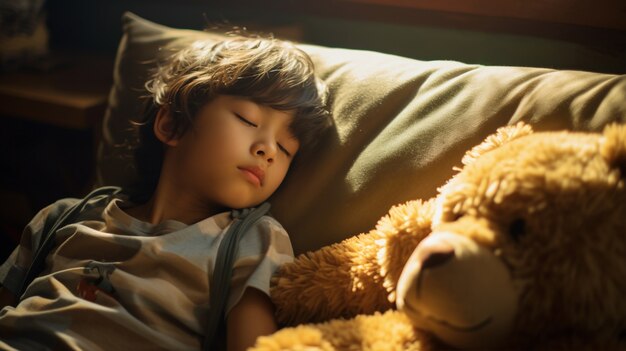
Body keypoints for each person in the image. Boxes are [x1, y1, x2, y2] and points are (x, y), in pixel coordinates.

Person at [0, 34, 331, 350]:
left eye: (286, 149)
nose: (268, 150)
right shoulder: (64, 217)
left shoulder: (252, 241)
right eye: (248, 120)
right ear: (172, 125)